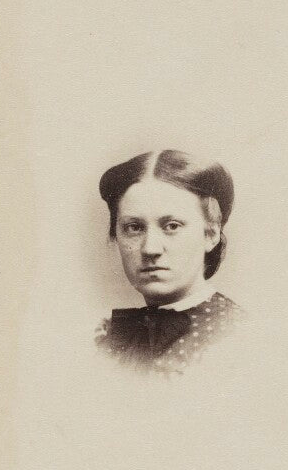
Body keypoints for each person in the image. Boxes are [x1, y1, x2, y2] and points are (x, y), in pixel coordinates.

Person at [95, 149, 243, 374]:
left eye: (172, 226)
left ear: (211, 234)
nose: (150, 249)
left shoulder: (239, 336)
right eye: (134, 228)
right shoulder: (106, 339)